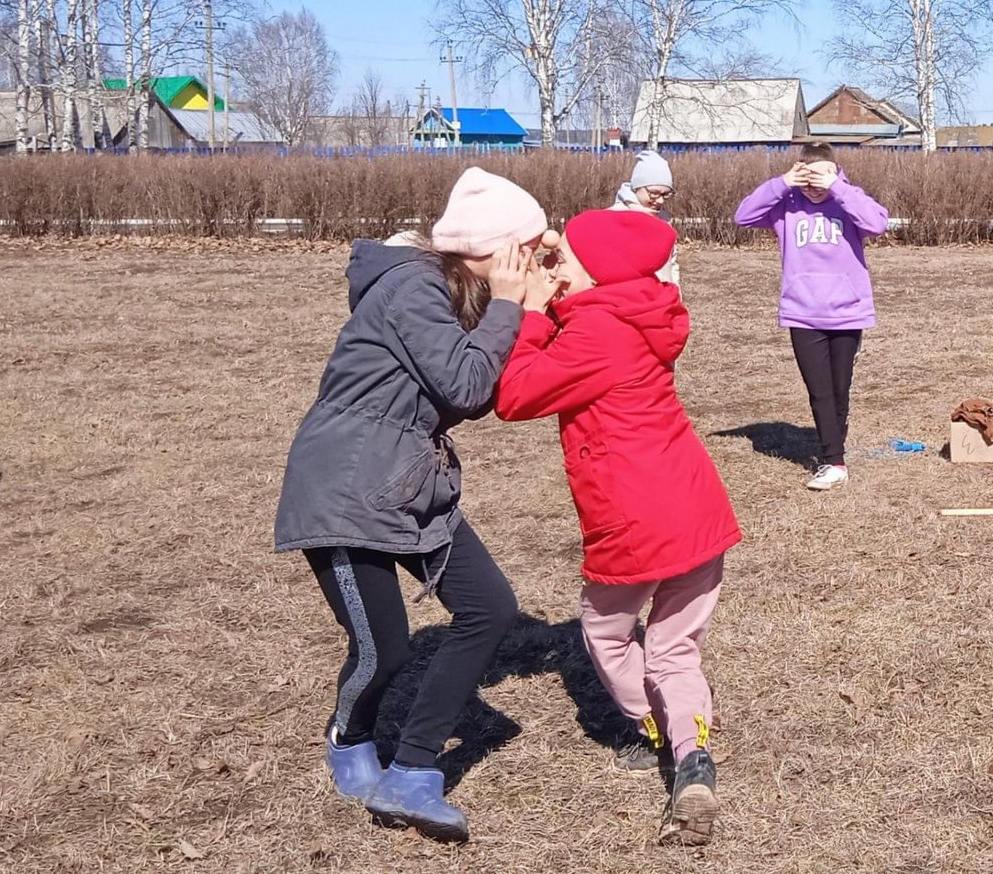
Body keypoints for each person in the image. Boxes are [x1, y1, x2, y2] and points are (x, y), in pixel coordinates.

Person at [274, 167, 549, 843]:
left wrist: (526, 313)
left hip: (408, 479)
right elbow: (462, 379)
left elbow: (469, 395)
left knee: (490, 607)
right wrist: (514, 307)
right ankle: (350, 735)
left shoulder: (454, 292)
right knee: (384, 650)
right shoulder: (411, 286)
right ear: (493, 247)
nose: (536, 261)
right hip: (344, 484)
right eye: (530, 248)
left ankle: (414, 765)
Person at [495, 209, 740, 846]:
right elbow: (570, 341)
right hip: (696, 507)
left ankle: (653, 728)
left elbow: (516, 395)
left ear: (597, 274)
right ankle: (693, 758)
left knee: (605, 630)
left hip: (636, 517)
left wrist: (522, 311)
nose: (556, 271)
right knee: (676, 648)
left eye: (565, 262)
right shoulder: (633, 314)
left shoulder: (597, 331)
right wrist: (552, 298)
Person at [733, 142, 890, 491]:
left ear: (833, 172)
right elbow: (742, 216)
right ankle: (833, 460)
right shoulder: (786, 206)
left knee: (839, 388)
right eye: (807, 177)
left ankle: (834, 446)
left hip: (847, 312)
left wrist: (838, 187)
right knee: (819, 391)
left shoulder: (848, 199)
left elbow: (878, 223)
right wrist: (781, 183)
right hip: (803, 312)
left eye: (820, 177)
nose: (813, 185)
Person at [611, 151, 681, 287]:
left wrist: (676, 294)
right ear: (637, 187)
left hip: (663, 298)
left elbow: (671, 262)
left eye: (666, 194)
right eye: (654, 193)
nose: (660, 200)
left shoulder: (663, 218)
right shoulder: (616, 216)